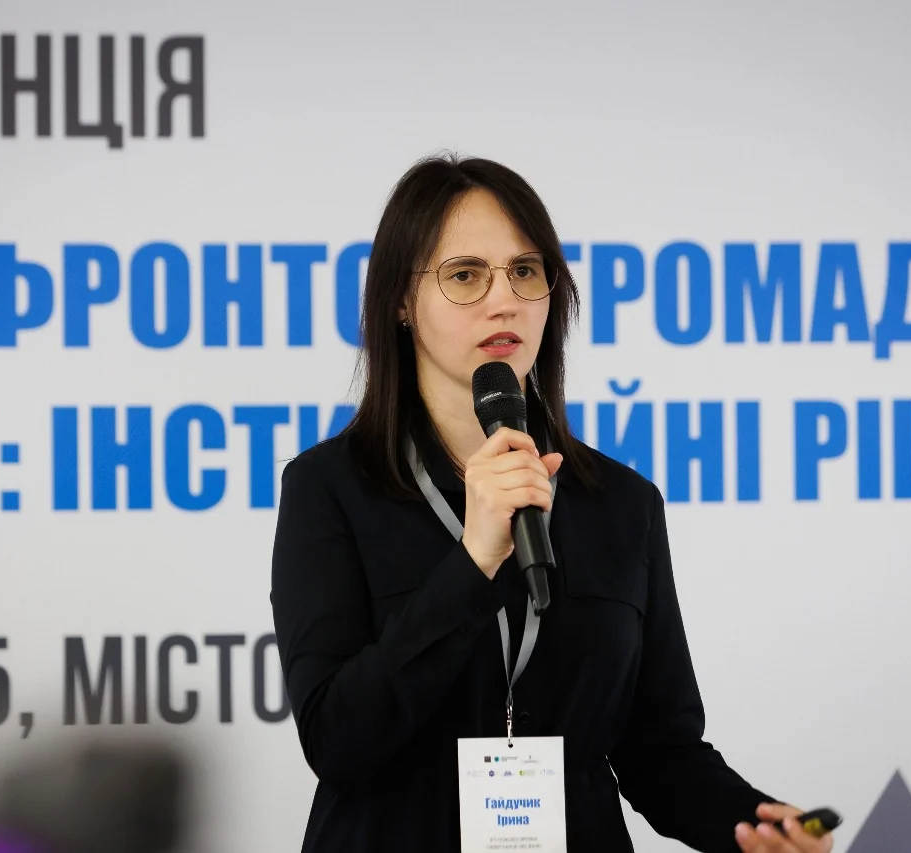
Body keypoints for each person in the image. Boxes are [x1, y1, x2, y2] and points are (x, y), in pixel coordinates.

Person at [269, 153, 832, 853]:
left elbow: (658, 749)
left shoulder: (621, 502)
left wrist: (753, 823)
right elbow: (338, 740)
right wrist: (473, 561)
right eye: (465, 274)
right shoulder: (330, 488)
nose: (504, 300)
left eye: (526, 271)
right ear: (401, 302)